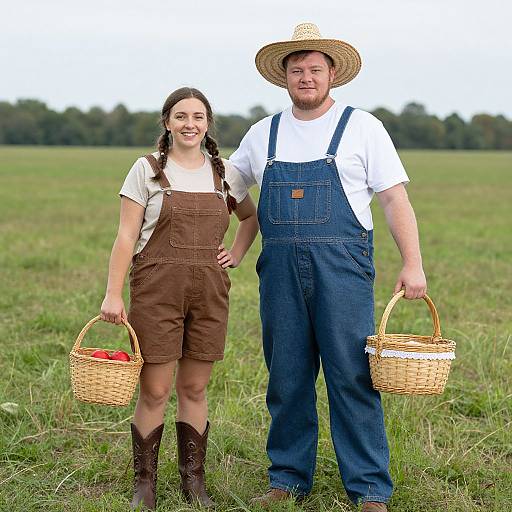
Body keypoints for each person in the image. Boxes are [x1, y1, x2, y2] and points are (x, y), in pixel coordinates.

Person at [229, 23, 427, 511]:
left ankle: (369, 489)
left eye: (315, 68)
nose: (306, 77)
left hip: (342, 271)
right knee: (287, 377)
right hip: (278, 276)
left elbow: (394, 198)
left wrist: (413, 264)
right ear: (284, 78)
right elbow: (225, 192)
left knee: (352, 375)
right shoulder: (262, 134)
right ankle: (288, 479)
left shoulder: (364, 127)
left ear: (332, 73)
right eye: (297, 70)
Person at [100, 87, 259, 510]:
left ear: (208, 124)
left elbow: (250, 218)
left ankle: (194, 483)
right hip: (156, 291)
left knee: (195, 385)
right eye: (181, 116)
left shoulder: (225, 173)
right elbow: (125, 236)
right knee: (154, 389)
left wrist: (237, 252)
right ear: (167, 122)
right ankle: (145, 486)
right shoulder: (147, 169)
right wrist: (113, 294)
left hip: (209, 292)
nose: (190, 124)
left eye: (199, 117)